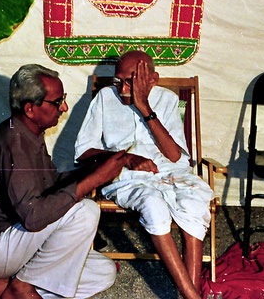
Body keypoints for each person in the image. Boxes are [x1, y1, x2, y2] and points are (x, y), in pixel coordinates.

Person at [0, 64, 129, 299]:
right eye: (57, 102)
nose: (64, 107)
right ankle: (19, 288)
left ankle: (7, 284)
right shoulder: (13, 140)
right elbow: (33, 217)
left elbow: (51, 183)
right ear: (30, 108)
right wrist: (93, 180)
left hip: (21, 245)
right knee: (85, 211)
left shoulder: (30, 131)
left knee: (103, 272)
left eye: (63, 99)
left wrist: (97, 168)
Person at [74, 51, 214, 299]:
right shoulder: (106, 98)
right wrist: (124, 157)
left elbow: (174, 156)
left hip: (171, 171)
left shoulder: (169, 100)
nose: (122, 88)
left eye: (131, 81)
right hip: (126, 176)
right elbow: (84, 151)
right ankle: (193, 297)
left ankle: (189, 295)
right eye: (119, 81)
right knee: (153, 206)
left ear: (152, 79)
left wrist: (144, 106)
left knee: (193, 204)